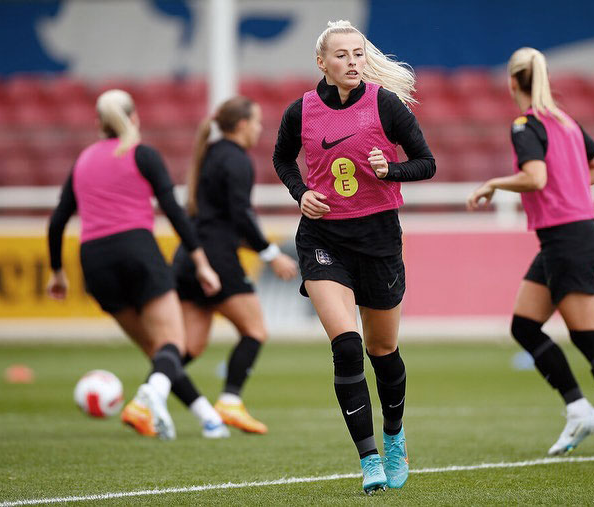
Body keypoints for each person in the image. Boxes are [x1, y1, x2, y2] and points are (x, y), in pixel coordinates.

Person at [273, 20, 435, 493]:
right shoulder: (299, 111)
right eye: (341, 55)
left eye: (358, 54)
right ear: (321, 62)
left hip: (379, 239)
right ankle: (369, 461)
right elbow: (282, 159)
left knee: (381, 349)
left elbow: (427, 162)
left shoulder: (384, 104)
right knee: (346, 345)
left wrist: (392, 170)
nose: (352, 63)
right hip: (323, 238)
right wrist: (300, 192)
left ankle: (394, 438)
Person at [467, 47, 594, 457]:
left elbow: (535, 178)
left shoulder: (525, 125)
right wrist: (569, 187)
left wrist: (494, 183)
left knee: (587, 335)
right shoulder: (565, 122)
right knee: (524, 326)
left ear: (512, 82)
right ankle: (579, 409)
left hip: (569, 239)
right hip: (563, 238)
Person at [47, 89, 230, 441]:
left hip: (94, 262)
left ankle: (208, 419)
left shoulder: (83, 160)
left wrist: (57, 272)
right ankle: (150, 398)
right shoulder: (142, 154)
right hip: (136, 251)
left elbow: (57, 222)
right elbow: (175, 212)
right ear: (134, 119)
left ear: (98, 123)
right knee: (172, 344)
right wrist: (201, 261)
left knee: (157, 352)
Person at [171, 96, 298, 435]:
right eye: (256, 121)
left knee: (189, 348)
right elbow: (241, 215)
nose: (259, 128)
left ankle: (147, 395)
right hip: (217, 260)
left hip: (188, 258)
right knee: (254, 331)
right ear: (241, 125)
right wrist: (271, 254)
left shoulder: (209, 153)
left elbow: (224, 215)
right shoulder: (237, 160)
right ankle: (229, 401)